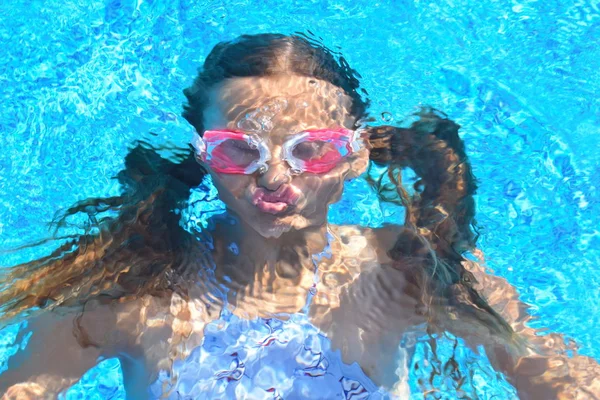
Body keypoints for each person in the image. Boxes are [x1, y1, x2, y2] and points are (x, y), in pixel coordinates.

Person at [0, 33, 598, 400]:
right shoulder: (135, 295)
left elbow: (555, 375)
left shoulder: (409, 274)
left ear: (355, 156)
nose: (274, 180)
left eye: (309, 149)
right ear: (204, 155)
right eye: (241, 149)